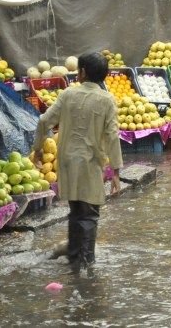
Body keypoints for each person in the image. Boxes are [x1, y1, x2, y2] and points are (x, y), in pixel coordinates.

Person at [32, 52, 123, 271]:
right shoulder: (107, 100)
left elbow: (44, 120)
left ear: (81, 72)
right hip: (90, 162)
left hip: (67, 162)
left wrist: (37, 150)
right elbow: (112, 136)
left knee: (76, 208)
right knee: (90, 213)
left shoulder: (67, 95)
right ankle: (86, 262)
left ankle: (74, 254)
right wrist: (116, 171)